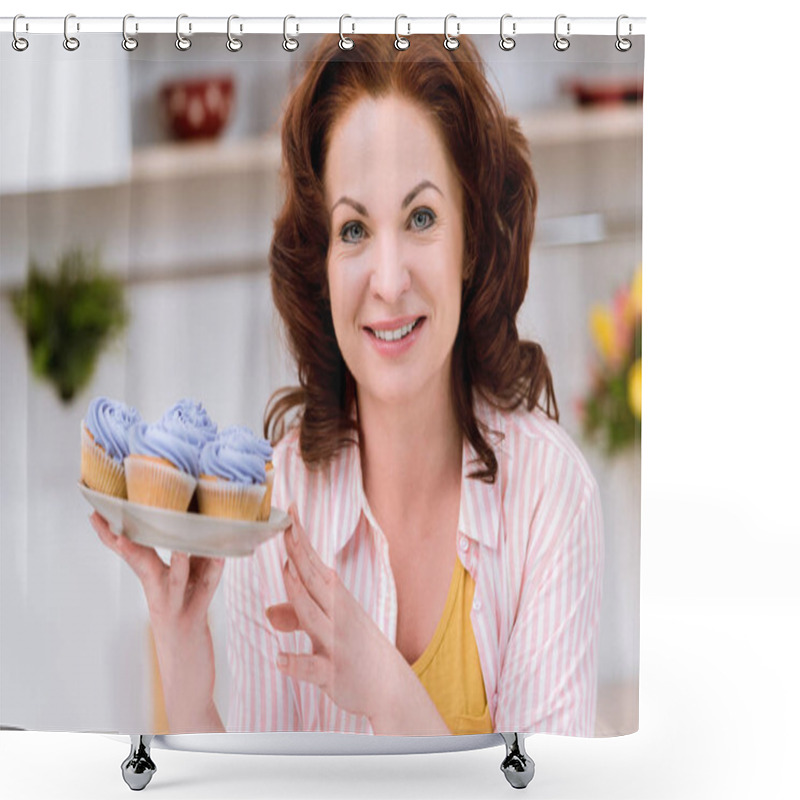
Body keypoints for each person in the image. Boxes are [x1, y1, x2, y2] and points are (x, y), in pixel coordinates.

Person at [92, 33, 604, 738]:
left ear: (471, 244)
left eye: (421, 218)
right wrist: (184, 667)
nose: (388, 282)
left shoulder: (549, 490)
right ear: (322, 262)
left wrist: (387, 692)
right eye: (354, 229)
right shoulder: (277, 510)